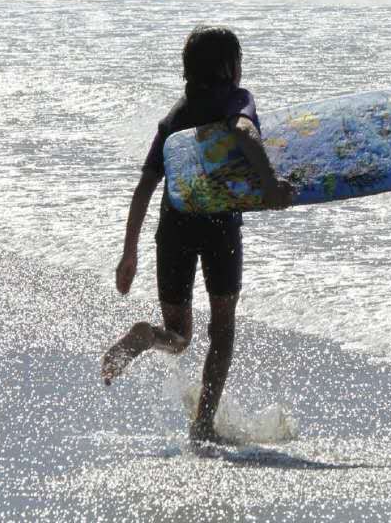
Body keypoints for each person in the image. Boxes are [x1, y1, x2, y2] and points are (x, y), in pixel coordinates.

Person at [102, 25, 293, 444]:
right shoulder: (237, 100)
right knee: (221, 331)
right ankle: (203, 423)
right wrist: (271, 184)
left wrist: (128, 253)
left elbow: (145, 186)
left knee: (179, 337)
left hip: (173, 229)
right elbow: (244, 132)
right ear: (229, 67)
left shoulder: (174, 117)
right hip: (219, 228)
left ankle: (147, 336)